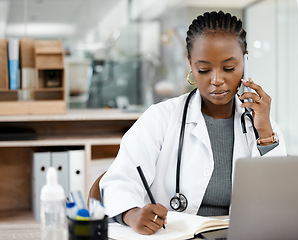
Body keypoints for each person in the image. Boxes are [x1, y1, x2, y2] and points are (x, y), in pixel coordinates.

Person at [100, 10, 287, 235]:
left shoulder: (261, 123)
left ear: (245, 61)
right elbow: (119, 180)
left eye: (229, 68)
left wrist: (265, 131)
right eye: (204, 69)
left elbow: (277, 200)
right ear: (190, 63)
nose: (217, 80)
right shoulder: (161, 118)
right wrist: (131, 214)